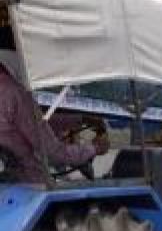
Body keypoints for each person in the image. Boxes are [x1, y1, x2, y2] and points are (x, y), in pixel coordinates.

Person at [0, 44, 109, 183]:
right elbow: (53, 152)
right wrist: (95, 148)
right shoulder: (13, 93)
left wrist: (79, 119)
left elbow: (34, 122)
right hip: (26, 185)